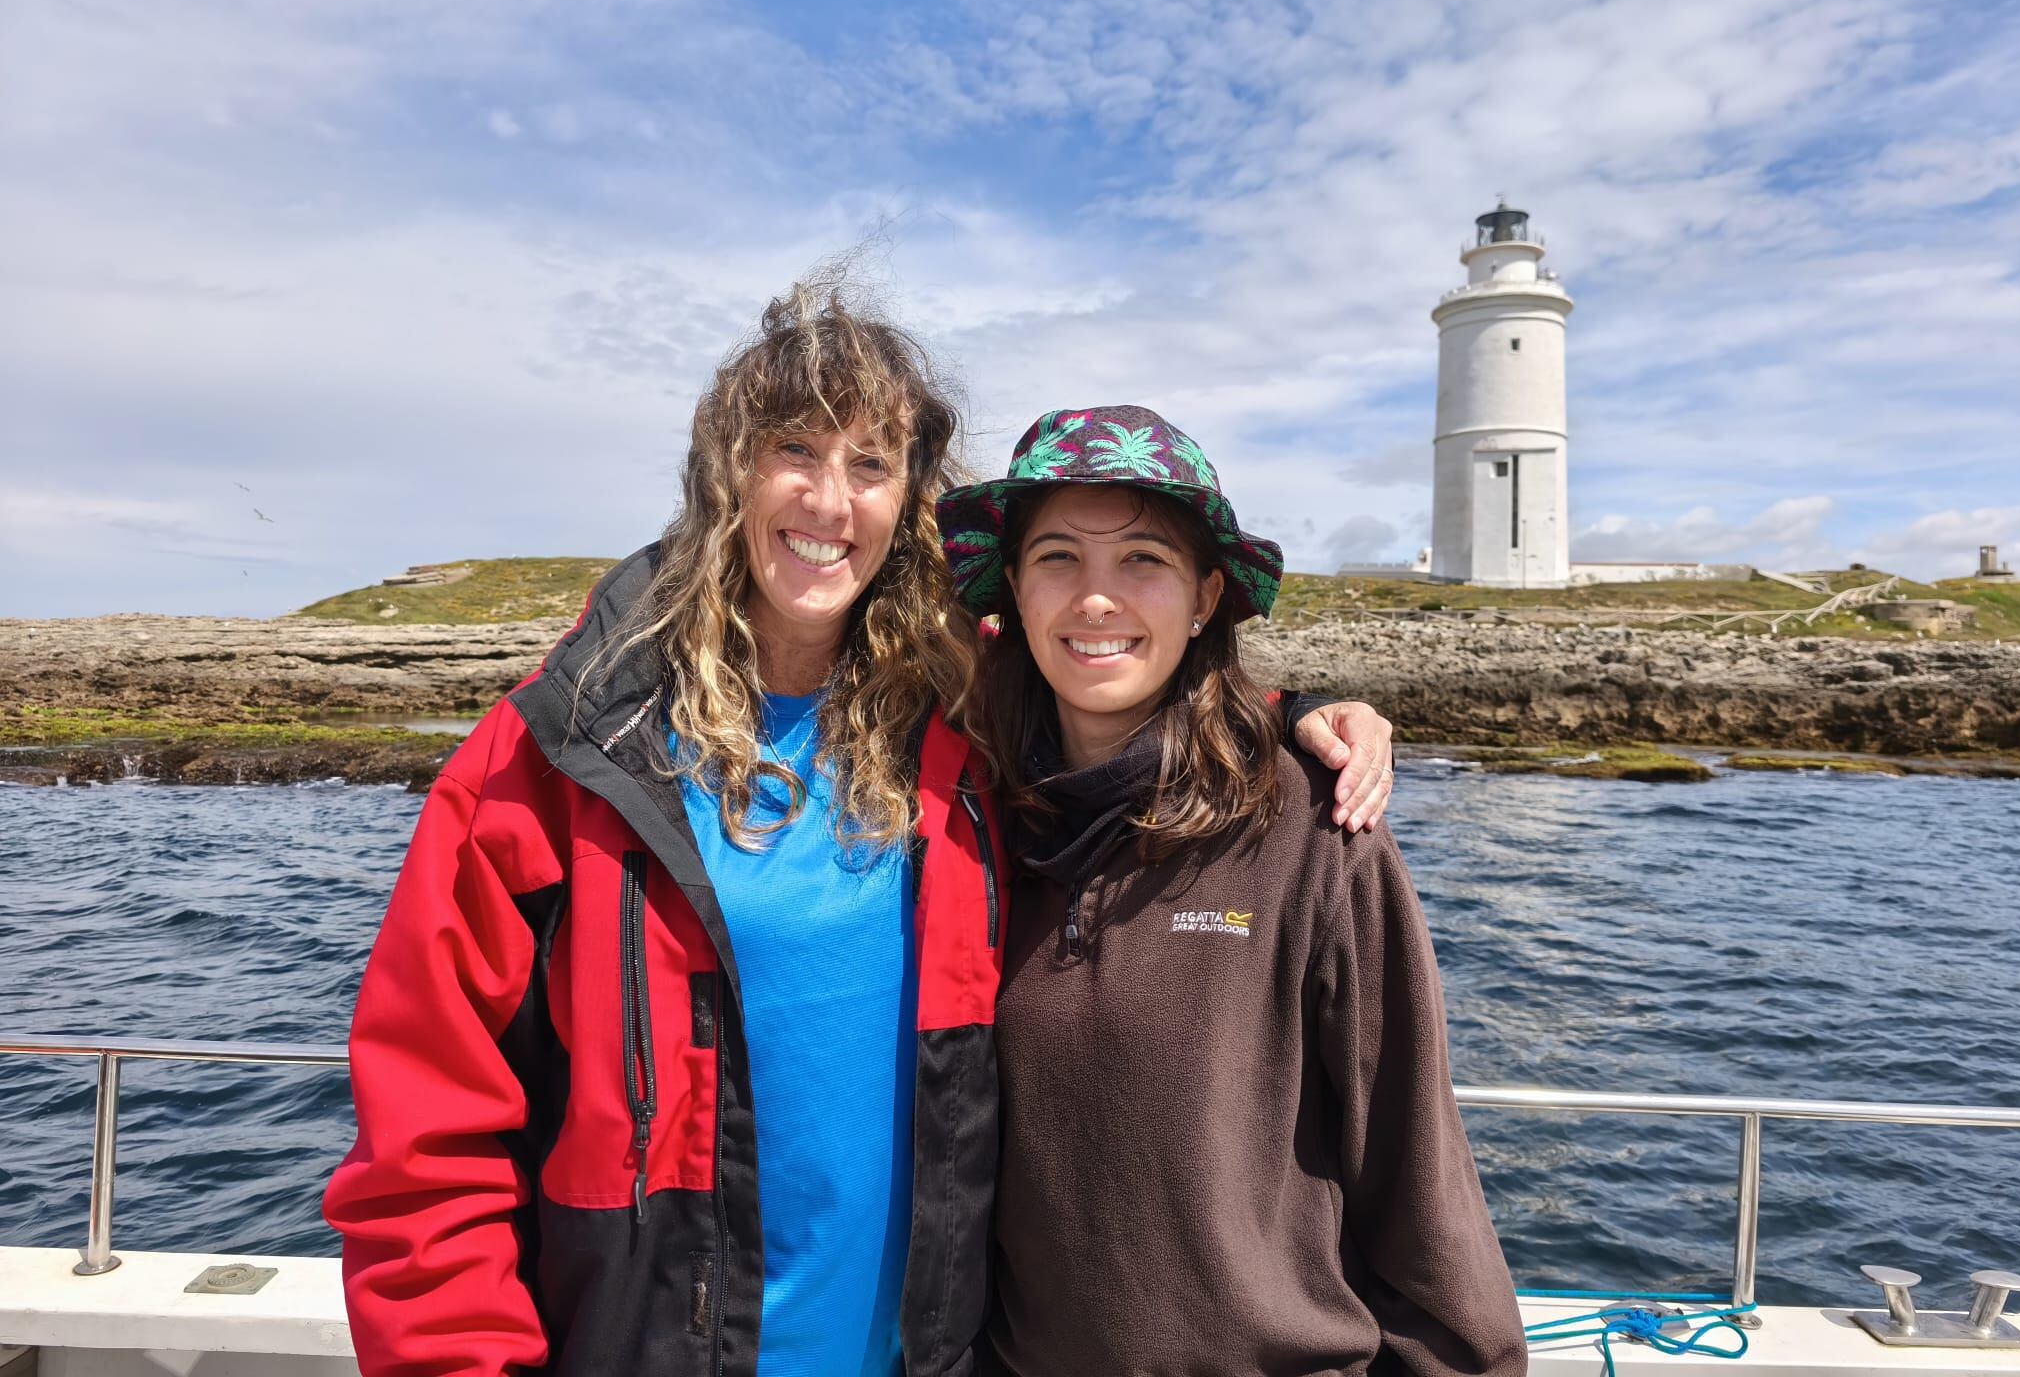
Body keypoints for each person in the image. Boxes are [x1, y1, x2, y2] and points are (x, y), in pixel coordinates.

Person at [322, 288, 1396, 1377]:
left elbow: (1116, 687)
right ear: (724, 472)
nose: (829, 500)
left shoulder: (962, 717)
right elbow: (426, 1141)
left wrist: (1291, 718)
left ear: (908, 500)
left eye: (871, 464)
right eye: (794, 449)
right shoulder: (566, 744)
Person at [940, 406, 1524, 1377]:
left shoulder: (1313, 825)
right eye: (1055, 558)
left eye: (1141, 560)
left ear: (1205, 595)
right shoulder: (961, 823)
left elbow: (1410, 1162)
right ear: (1011, 587)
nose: (1094, 599)